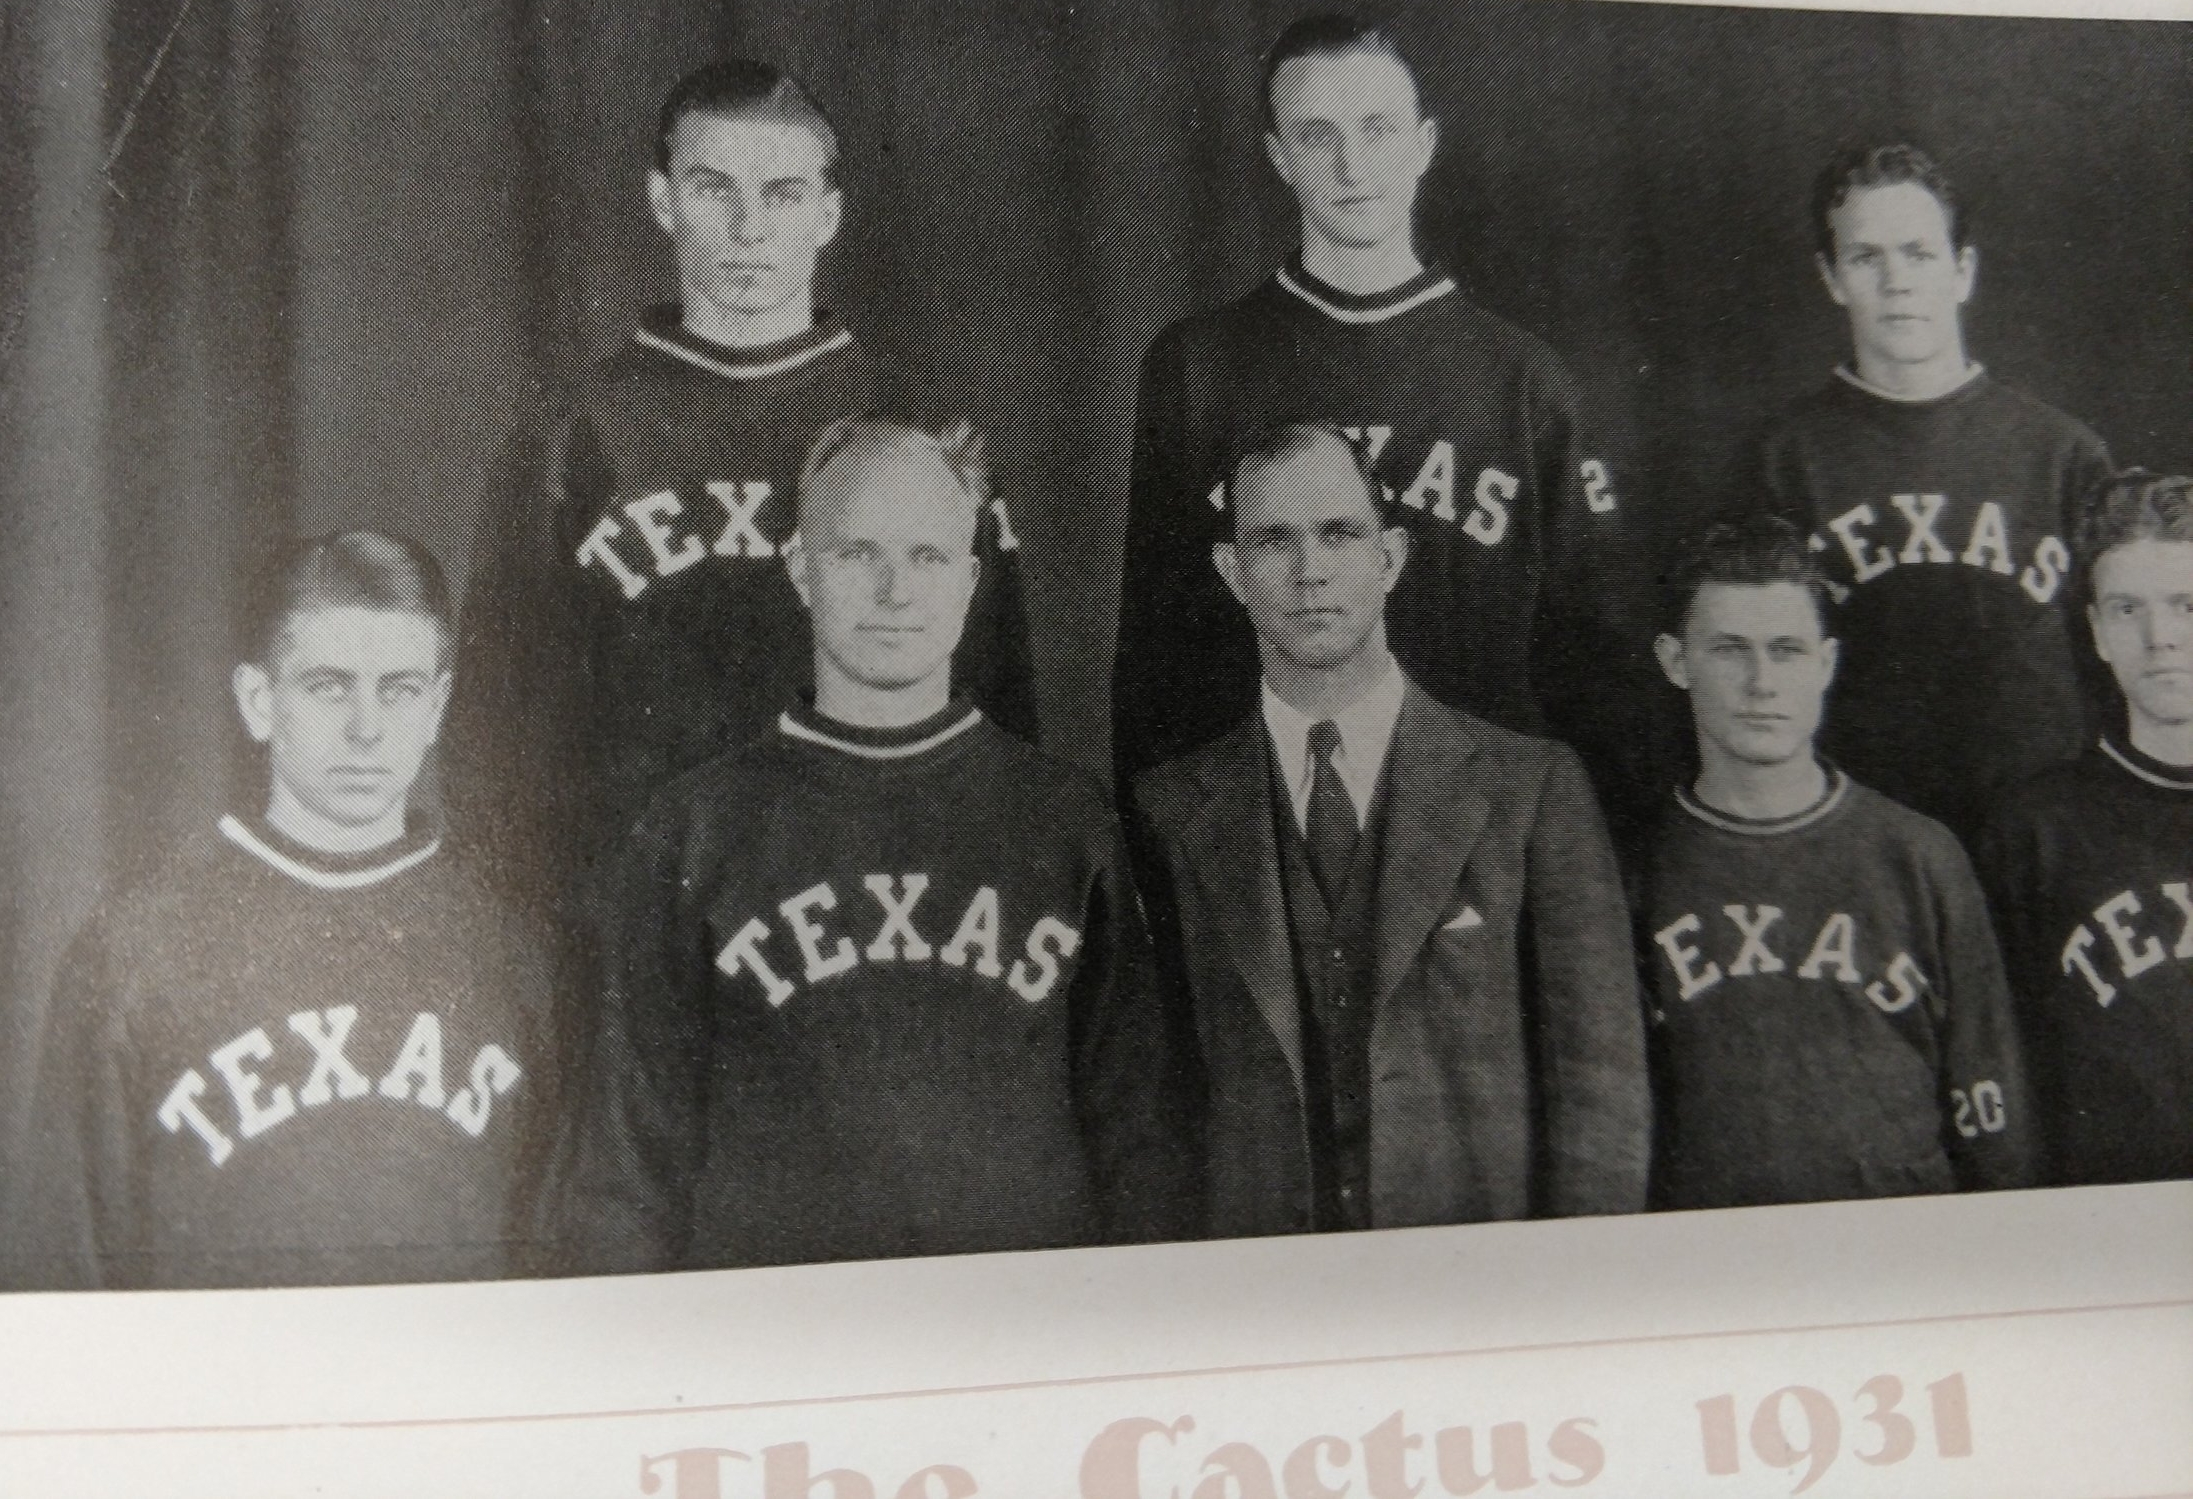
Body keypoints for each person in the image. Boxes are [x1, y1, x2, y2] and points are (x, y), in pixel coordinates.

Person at [554, 414, 1196, 1272]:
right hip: (779, 1343)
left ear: (970, 580)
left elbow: (1142, 1141)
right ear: (799, 571)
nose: (894, 590)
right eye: (857, 553)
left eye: (927, 557)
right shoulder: (693, 828)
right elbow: (625, 1169)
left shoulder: (1065, 820)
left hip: (1021, 1335)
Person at [447, 59, 1035, 915]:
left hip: (873, 894)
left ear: (828, 214)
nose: (748, 226)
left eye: (784, 193)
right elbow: (491, 731)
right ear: (662, 200)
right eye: (713, 187)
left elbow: (1001, 706)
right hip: (637, 906)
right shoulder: (571, 432)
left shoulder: (915, 424)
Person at [1111, 13, 1644, 840]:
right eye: (1316, 135)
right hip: (1262, 844)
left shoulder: (1521, 380)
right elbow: (1156, 660)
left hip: (1478, 852)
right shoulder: (1196, 365)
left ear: (1424, 143)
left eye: (1378, 129)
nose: (1352, 166)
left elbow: (1597, 668)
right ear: (1278, 158)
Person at [1133, 422, 1647, 1237]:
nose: (1310, 572)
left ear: (1391, 556)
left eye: (1339, 533)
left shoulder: (1531, 791)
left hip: (1474, 1294)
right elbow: (1158, 1121)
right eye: (1274, 541)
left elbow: (1600, 1098)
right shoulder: (1168, 812)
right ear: (1231, 573)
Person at [38, 532, 555, 1289]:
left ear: (438, 705)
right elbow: (65, 1266)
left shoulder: (512, 953)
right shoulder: (133, 950)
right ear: (257, 700)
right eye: (327, 685)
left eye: (400, 688)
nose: (366, 729)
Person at [1643, 515, 2034, 1210]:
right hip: (1710, 1257)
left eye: (1786, 650)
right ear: (1676, 661)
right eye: (1729, 649)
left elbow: (1991, 1103)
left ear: (1825, 663)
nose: (1760, 682)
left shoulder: (1915, 853)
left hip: (1900, 1244)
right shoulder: (1632, 865)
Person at [1757, 142, 2117, 847]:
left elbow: (2122, 662)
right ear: (1831, 278)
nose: (1896, 282)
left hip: (2042, 835)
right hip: (1856, 838)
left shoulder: (2063, 454)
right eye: (1867, 257)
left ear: (1962, 270)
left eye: (1918, 254)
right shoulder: (1781, 459)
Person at [1975, 471, 2193, 1186]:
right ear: (2096, 631)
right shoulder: (2032, 830)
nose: (2158, 638)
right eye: (2127, 609)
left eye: (2184, 605)